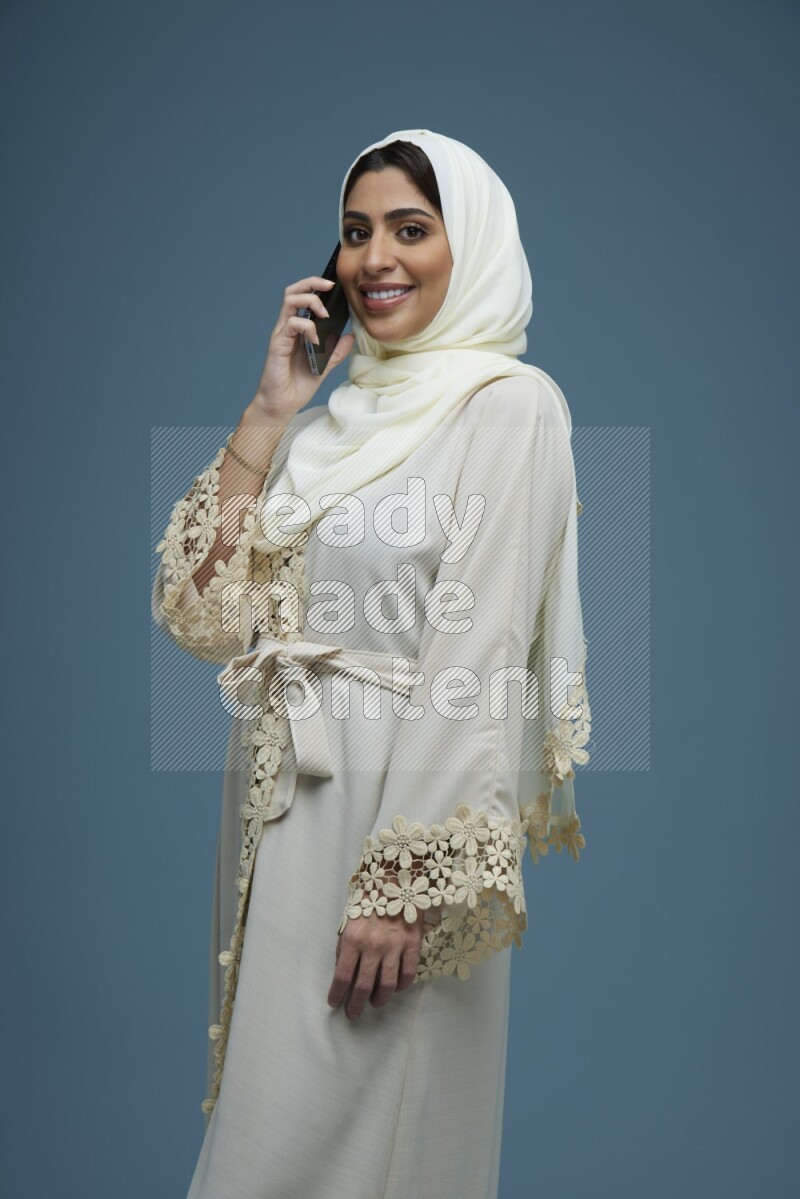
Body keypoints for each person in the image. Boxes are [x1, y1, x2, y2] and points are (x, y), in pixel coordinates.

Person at [152, 128, 591, 1199]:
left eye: (410, 228)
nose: (374, 259)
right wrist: (269, 413)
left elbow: (478, 652)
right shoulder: (328, 428)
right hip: (284, 825)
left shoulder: (508, 405)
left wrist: (402, 884)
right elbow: (206, 615)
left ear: (469, 245)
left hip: (390, 838)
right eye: (355, 233)